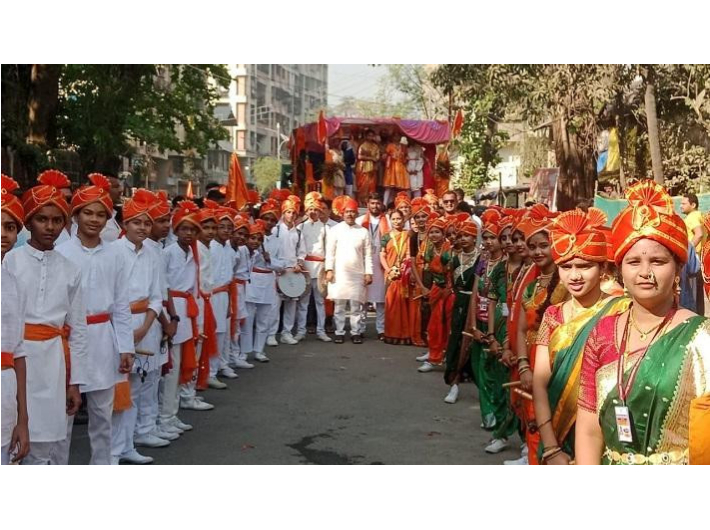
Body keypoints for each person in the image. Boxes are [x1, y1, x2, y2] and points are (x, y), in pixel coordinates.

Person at [576, 180, 710, 465]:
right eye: (633, 262)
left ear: (678, 268)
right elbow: (588, 428)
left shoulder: (702, 336)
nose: (645, 272)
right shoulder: (602, 333)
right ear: (620, 269)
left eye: (658, 262)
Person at [531, 209, 629, 465]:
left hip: (607, 436)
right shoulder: (553, 315)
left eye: (584, 266)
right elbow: (540, 383)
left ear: (603, 268)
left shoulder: (622, 310)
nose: (574, 276)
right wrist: (551, 448)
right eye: (566, 267)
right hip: (557, 435)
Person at [6, 172, 89, 464]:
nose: (50, 227)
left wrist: (75, 382)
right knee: (9, 441)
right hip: (12, 363)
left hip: (53, 364)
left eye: (57, 220)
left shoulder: (71, 269)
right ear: (28, 222)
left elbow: (78, 329)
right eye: (42, 219)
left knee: (44, 448)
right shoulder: (9, 262)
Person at [55, 174, 134, 465]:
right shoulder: (61, 252)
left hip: (103, 339)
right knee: (63, 416)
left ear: (108, 219)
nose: (94, 219)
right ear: (75, 215)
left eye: (101, 214)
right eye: (87, 212)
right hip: (67, 341)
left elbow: (121, 304)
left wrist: (126, 347)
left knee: (103, 417)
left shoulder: (115, 254)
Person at [110, 190, 166, 464]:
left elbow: (157, 296)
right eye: (136, 222)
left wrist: (145, 327)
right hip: (118, 326)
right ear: (125, 224)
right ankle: (111, 451)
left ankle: (127, 445)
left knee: (135, 387)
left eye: (146, 223)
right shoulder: (113, 252)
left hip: (146, 326)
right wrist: (124, 331)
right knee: (117, 390)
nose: (142, 228)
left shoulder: (152, 254)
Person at [515, 205, 566, 464]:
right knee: (533, 418)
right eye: (532, 247)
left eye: (544, 246)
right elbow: (522, 329)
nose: (537, 252)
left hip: (559, 363)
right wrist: (523, 366)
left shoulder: (569, 284)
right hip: (533, 361)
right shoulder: (531, 287)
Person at [467, 210, 516, 453]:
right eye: (485, 237)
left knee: (509, 382)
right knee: (486, 371)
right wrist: (478, 328)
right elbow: (480, 294)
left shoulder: (524, 266)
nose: (489, 242)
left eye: (493, 237)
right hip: (490, 323)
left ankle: (508, 431)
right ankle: (493, 419)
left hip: (513, 327)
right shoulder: (486, 264)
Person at [158, 201, 204, 434]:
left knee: (178, 368)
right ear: (175, 230)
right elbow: (163, 287)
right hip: (172, 312)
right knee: (170, 368)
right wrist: (170, 317)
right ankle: (164, 417)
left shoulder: (192, 254)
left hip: (187, 312)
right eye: (184, 228)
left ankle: (172, 414)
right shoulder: (167, 253)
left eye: (193, 230)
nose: (188, 233)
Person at [1, 174, 30, 465]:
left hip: (5, 393)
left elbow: (18, 352)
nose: (3, 234)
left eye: (10, 227)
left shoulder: (14, 282)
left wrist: (23, 420)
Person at [325, 197, 373, 344]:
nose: (350, 214)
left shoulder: (363, 232)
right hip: (339, 273)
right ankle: (339, 332)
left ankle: (355, 332)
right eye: (347, 212)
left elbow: (368, 255)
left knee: (355, 305)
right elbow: (330, 252)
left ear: (357, 213)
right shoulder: (335, 230)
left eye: (353, 212)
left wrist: (368, 273)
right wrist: (329, 269)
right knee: (339, 305)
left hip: (357, 273)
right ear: (342, 213)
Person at [443, 220, 480, 404]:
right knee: (456, 342)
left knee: (474, 345)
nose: (464, 239)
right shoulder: (455, 258)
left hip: (475, 304)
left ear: (474, 237)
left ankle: (484, 390)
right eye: (461, 236)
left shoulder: (481, 258)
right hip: (459, 304)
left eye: (468, 235)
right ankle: (454, 383)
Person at [207, 206, 240, 387]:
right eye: (222, 227)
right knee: (215, 332)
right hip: (212, 295)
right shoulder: (209, 247)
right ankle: (210, 372)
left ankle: (221, 364)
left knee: (225, 332)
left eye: (229, 227)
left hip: (225, 294)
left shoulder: (230, 249)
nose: (226, 230)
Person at [417, 217, 453, 373]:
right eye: (431, 232)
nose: (434, 235)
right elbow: (420, 266)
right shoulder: (429, 249)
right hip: (436, 289)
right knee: (434, 325)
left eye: (437, 232)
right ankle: (433, 354)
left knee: (446, 325)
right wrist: (423, 287)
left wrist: (448, 289)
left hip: (449, 291)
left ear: (443, 234)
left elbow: (452, 273)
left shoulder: (449, 249)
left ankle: (442, 356)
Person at [297, 192, 332, 343]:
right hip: (305, 267)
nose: (313, 212)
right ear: (306, 210)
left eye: (316, 210)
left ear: (320, 211)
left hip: (320, 268)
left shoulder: (325, 228)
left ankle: (321, 330)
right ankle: (301, 331)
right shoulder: (300, 227)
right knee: (303, 302)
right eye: (310, 209)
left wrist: (328, 268)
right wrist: (299, 264)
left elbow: (329, 250)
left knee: (320, 301)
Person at [242, 220, 278, 362]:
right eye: (252, 238)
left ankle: (259, 350)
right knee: (247, 320)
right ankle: (244, 352)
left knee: (264, 320)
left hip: (268, 284)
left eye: (258, 239)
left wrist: (269, 260)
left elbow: (283, 264)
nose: (255, 241)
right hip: (251, 284)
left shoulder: (276, 243)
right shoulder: (245, 252)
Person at [278, 195, 309, 345]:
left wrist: (299, 264)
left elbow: (302, 252)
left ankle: (287, 332)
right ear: (283, 213)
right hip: (278, 271)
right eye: (288, 212)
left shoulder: (298, 233)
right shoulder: (276, 230)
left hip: (293, 271)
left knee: (291, 305)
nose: (291, 215)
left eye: (293, 213)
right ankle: (270, 333)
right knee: (275, 305)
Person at [357, 194, 388, 340]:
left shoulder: (388, 221)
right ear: (367, 204)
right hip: (364, 262)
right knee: (362, 298)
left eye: (378, 203)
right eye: (372, 203)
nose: (375, 206)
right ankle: (360, 328)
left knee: (381, 299)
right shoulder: (359, 221)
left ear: (382, 204)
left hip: (381, 263)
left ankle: (381, 329)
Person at [380, 209, 411, 344]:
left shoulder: (408, 235)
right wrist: (389, 270)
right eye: (393, 219)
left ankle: (404, 335)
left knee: (404, 306)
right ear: (390, 221)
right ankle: (391, 334)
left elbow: (409, 254)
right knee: (392, 304)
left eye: (399, 218)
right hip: (390, 275)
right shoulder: (386, 237)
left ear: (403, 220)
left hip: (405, 273)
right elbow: (382, 255)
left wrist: (404, 268)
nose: (396, 221)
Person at [229, 214, 254, 369]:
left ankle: (235, 355)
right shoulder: (228, 249)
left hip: (240, 288)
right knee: (233, 324)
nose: (242, 237)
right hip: (232, 288)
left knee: (238, 323)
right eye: (239, 233)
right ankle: (232, 357)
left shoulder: (243, 249)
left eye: (245, 235)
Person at [408, 198, 433, 351]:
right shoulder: (413, 237)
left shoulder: (434, 234)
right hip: (420, 274)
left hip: (434, 274)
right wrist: (421, 284)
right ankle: (421, 336)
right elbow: (412, 262)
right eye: (418, 217)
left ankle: (433, 338)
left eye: (424, 216)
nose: (421, 219)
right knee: (422, 308)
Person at [355, 129, 380, 206]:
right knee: (362, 185)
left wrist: (371, 158)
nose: (370, 137)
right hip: (363, 168)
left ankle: (370, 202)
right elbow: (359, 156)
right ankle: (361, 201)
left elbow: (377, 157)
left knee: (372, 185)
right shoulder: (362, 145)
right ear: (366, 136)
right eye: (369, 135)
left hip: (372, 169)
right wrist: (370, 158)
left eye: (372, 135)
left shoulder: (375, 146)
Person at [383, 136, 409, 206]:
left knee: (400, 188)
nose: (396, 137)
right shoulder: (390, 145)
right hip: (391, 167)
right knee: (389, 187)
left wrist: (404, 157)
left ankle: (399, 204)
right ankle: (385, 204)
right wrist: (390, 157)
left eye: (398, 135)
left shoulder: (402, 146)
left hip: (401, 167)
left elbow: (405, 157)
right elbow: (385, 156)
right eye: (395, 135)